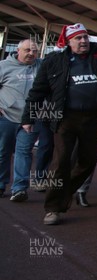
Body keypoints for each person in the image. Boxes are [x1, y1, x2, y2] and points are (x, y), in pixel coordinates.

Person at [22, 21, 97, 225]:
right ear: (69, 42)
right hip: (64, 118)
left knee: (89, 160)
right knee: (60, 162)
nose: (84, 41)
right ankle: (53, 208)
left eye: (86, 37)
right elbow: (37, 92)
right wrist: (27, 118)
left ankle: (64, 192)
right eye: (78, 38)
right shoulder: (54, 61)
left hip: (93, 118)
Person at [0, 39, 43, 201]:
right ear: (18, 51)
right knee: (3, 152)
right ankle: (1, 183)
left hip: (31, 118)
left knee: (24, 152)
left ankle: (19, 188)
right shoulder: (4, 66)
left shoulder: (41, 65)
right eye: (27, 50)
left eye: (34, 51)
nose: (31, 53)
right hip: (6, 117)